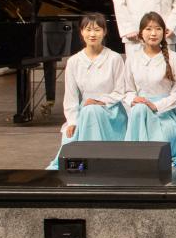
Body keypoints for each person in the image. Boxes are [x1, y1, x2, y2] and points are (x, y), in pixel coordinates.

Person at [48, 13, 127, 169]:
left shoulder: (115, 58)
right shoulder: (74, 61)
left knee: (92, 110)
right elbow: (71, 97)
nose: (92, 34)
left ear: (104, 32)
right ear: (81, 32)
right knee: (75, 128)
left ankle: (96, 161)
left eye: (97, 30)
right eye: (88, 30)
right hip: (84, 112)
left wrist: (99, 102)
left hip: (111, 111)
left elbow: (120, 91)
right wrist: (72, 121)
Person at [123, 12, 176, 162]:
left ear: (164, 32)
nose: (153, 33)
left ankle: (145, 157)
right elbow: (127, 90)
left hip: (165, 113)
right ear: (140, 33)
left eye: (158, 29)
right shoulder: (132, 59)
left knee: (160, 139)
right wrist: (134, 100)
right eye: (148, 29)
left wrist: (156, 106)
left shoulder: (174, 58)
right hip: (140, 114)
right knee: (139, 109)